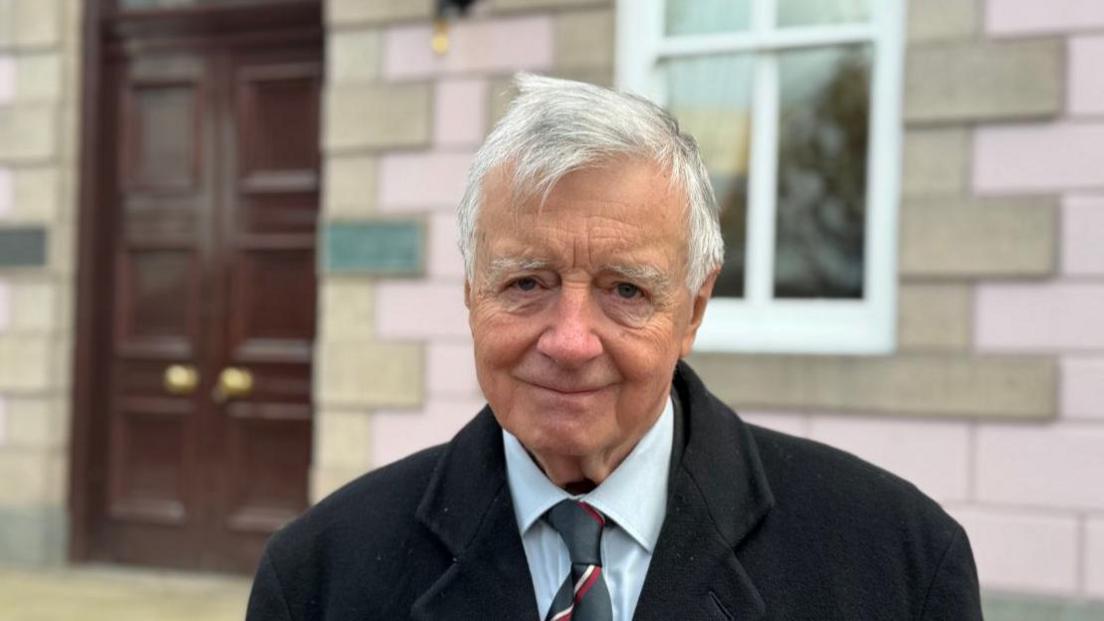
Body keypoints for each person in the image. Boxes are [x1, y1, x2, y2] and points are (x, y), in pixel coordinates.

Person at [246, 73, 982, 620]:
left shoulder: (898, 562)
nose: (569, 341)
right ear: (472, 292)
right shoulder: (319, 577)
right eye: (527, 281)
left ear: (693, 308)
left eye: (626, 290)